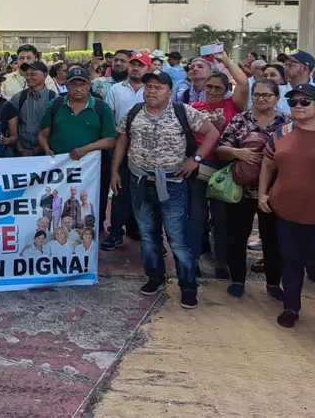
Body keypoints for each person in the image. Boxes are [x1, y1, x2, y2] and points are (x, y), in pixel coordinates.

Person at [110, 69, 219, 309]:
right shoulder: (134, 112)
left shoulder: (183, 111)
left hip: (173, 184)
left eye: (158, 87)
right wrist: (115, 170)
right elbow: (122, 140)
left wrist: (196, 159)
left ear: (170, 92)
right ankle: (155, 278)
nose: (152, 91)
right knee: (148, 236)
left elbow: (212, 133)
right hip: (140, 183)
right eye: (149, 86)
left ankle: (188, 286)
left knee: (177, 238)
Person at [258, 84, 315, 336]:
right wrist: (263, 193)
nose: (298, 106)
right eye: (293, 102)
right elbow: (267, 164)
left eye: (305, 102)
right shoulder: (281, 132)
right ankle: (290, 308)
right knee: (291, 261)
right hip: (286, 212)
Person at [215, 79, 287, 300]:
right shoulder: (240, 119)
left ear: (277, 98)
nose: (261, 99)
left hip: (274, 191)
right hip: (241, 188)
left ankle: (274, 283)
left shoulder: (285, 124)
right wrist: (238, 153)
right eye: (257, 94)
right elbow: (220, 148)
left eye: (267, 95)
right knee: (237, 236)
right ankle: (237, 279)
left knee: (273, 238)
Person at [187, 50, 249, 279]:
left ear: (226, 91)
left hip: (224, 169)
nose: (213, 91)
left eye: (218, 88)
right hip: (198, 168)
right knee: (196, 217)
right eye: (209, 87)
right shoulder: (195, 107)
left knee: (222, 219)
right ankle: (192, 261)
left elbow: (243, 82)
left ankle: (222, 262)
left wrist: (225, 60)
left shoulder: (234, 106)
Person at [39, 66, 116, 228]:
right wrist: (46, 150)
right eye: (74, 85)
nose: (79, 89)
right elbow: (43, 134)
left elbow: (110, 140)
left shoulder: (102, 108)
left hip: (90, 170)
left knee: (91, 204)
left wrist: (85, 149)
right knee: (54, 202)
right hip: (59, 168)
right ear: (67, 86)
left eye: (83, 84)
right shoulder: (56, 104)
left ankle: (92, 240)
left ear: (89, 85)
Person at [102, 52, 149, 249]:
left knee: (144, 192)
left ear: (148, 68)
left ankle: (137, 229)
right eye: (133, 64)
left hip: (146, 150)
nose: (136, 68)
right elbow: (110, 117)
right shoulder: (115, 89)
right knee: (120, 189)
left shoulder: (152, 89)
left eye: (141, 65)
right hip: (120, 147)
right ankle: (115, 232)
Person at [8, 61, 55, 157]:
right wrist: (20, 148)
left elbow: (56, 129)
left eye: (33, 74)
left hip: (46, 153)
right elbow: (12, 127)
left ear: (45, 75)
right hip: (20, 153)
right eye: (27, 74)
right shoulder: (18, 98)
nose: (28, 77)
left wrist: (39, 149)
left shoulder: (54, 99)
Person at [277, 50, 315, 117]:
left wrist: (282, 116)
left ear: (305, 68)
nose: (286, 69)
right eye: (285, 65)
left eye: (290, 65)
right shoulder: (277, 90)